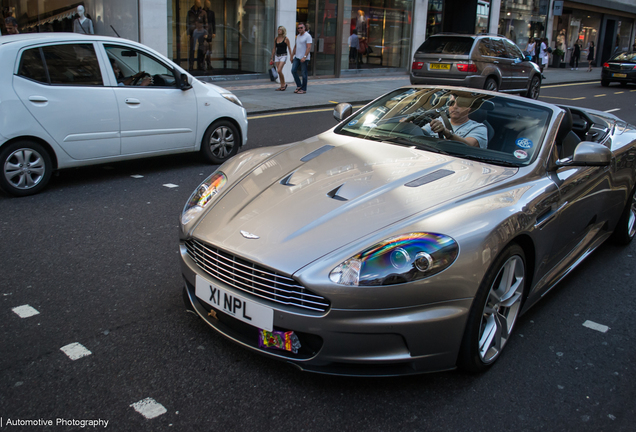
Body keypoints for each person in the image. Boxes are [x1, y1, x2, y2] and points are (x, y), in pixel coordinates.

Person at [406, 94, 488, 149]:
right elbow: (421, 133)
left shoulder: (478, 128)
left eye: (460, 105)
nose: (454, 107)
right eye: (451, 103)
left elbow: (469, 146)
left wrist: (446, 132)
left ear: (469, 108)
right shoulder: (439, 120)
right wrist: (409, 127)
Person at [291, 22, 312, 94]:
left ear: (304, 28)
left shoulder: (307, 36)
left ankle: (304, 89)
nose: (300, 29)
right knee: (293, 70)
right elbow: (296, 46)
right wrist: (292, 55)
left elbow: (309, 47)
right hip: (297, 56)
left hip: (304, 58)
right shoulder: (298, 36)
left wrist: (305, 57)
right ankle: (299, 85)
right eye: (298, 28)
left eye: (301, 28)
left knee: (304, 73)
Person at [270, 26, 292, 91]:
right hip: (277, 55)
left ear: (283, 31)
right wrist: (272, 58)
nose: (279, 31)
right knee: (279, 71)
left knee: (279, 70)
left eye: (280, 30)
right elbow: (274, 48)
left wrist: (291, 56)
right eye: (278, 29)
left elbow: (289, 48)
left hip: (283, 55)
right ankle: (282, 85)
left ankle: (284, 84)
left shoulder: (286, 39)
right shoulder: (276, 39)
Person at [187, 0, 207, 71]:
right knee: (192, 49)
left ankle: (201, 64)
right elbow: (188, 22)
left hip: (201, 32)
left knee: (201, 49)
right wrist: (188, 33)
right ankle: (191, 65)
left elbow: (206, 23)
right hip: (193, 32)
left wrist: (205, 33)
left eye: (200, 3)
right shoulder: (190, 12)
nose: (199, 4)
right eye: (198, 3)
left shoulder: (203, 12)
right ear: (195, 3)